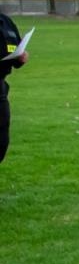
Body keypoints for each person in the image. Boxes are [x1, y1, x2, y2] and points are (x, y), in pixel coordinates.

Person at [0, 10, 28, 163]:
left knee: (2, 140)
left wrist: (21, 58)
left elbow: (16, 49)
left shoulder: (6, 23)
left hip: (0, 90)